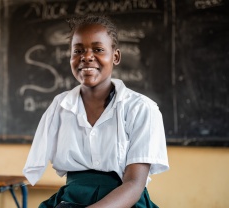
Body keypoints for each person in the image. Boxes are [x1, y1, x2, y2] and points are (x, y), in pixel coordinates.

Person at [23, 14, 169, 208]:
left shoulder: (141, 108)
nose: (87, 57)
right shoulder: (60, 107)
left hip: (124, 203)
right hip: (71, 200)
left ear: (115, 56)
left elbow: (134, 183)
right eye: (78, 51)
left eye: (98, 49)